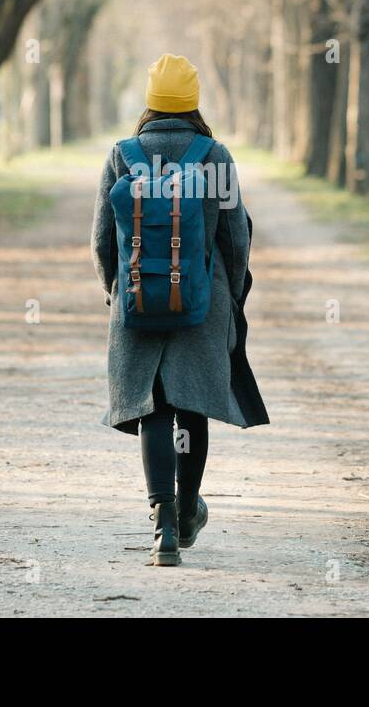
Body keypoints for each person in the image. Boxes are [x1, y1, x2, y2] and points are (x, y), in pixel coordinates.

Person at [91, 54, 267, 566]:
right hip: (201, 302)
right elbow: (235, 237)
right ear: (193, 101)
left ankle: (163, 524)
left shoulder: (122, 155)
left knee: (153, 410)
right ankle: (189, 511)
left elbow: (103, 238)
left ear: (150, 101)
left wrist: (116, 292)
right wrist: (230, 296)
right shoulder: (215, 156)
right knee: (191, 407)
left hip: (139, 301)